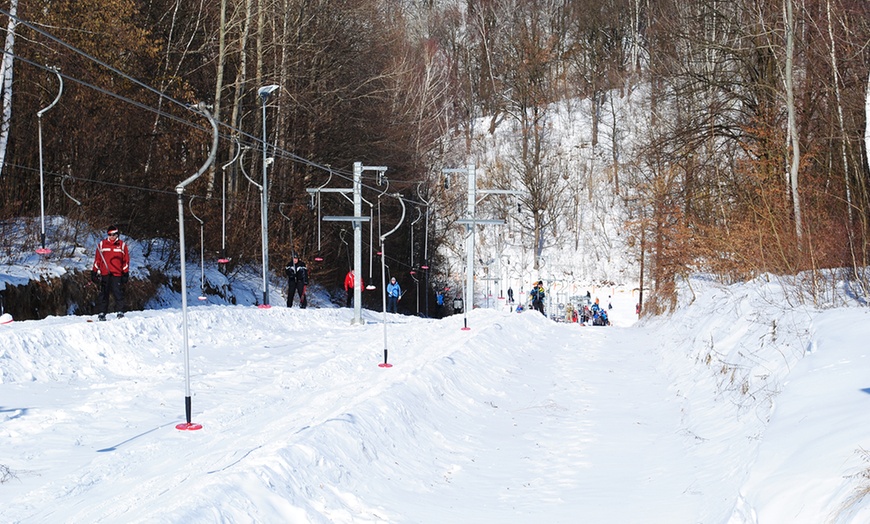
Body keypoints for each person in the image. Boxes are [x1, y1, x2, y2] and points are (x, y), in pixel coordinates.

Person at [91, 225, 130, 321]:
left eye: (114, 234)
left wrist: (125, 273)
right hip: (105, 273)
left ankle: (120, 311)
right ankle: (102, 313)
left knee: (118, 292)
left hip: (117, 274)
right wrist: (94, 272)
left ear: (117, 234)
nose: (112, 236)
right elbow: (97, 259)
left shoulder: (122, 245)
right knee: (104, 293)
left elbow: (126, 260)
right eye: (110, 234)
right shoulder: (102, 244)